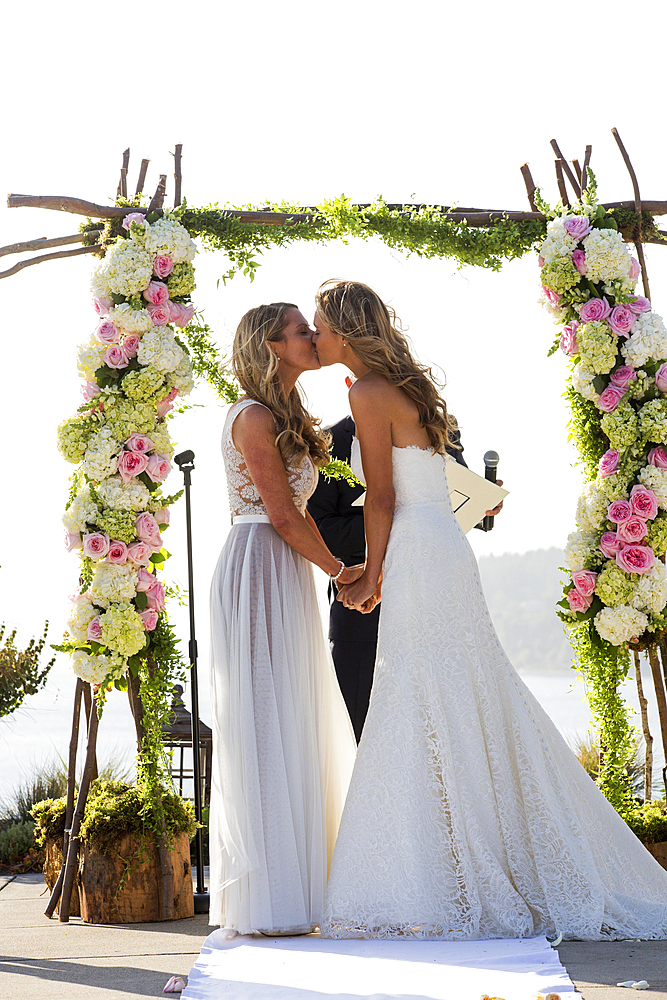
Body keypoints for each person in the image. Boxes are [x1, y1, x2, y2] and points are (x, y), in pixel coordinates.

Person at [311, 279, 667, 941]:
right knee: (462, 694)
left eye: (320, 327)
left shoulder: (364, 394)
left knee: (419, 698)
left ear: (344, 331)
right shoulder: (409, 388)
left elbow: (381, 500)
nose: (315, 337)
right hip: (445, 550)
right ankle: (457, 867)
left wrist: (372, 576)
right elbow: (432, 488)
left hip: (416, 552)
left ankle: (438, 877)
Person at [208, 302, 358, 936]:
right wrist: (341, 570)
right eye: (301, 329)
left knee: (293, 715)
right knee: (264, 719)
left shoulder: (291, 416)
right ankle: (270, 899)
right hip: (259, 565)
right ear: (270, 344)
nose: (312, 336)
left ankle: (306, 886)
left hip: (286, 570)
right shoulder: (251, 417)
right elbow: (283, 515)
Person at [307, 415, 486, 742]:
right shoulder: (329, 442)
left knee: (439, 737)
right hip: (361, 616)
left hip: (433, 605)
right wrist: (386, 523)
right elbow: (321, 530)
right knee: (358, 734)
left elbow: (459, 506)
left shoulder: (438, 428)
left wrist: (485, 507)